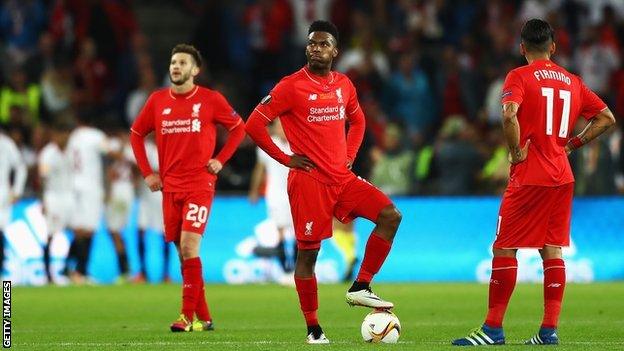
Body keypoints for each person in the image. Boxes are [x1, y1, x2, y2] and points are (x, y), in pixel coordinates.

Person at [452, 19, 616, 346]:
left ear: (522, 47)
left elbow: (509, 113)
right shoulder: (572, 81)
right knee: (551, 250)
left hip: (531, 175)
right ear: (553, 47)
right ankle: (548, 331)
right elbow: (607, 118)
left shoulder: (519, 76)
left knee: (504, 247)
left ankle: (493, 329)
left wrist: (515, 151)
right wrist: (572, 145)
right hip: (561, 175)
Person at [245, 20, 402, 344]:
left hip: (342, 178)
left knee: (390, 216)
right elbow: (254, 125)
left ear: (335, 51)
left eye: (324, 44)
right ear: (306, 48)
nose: (317, 48)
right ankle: (313, 328)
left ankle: (361, 286)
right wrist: (286, 158)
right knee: (308, 255)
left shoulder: (344, 84)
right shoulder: (290, 86)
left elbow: (358, 120)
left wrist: (349, 155)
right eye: (312, 43)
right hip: (309, 182)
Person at [130, 44, 245, 332]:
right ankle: (205, 318)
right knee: (183, 255)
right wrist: (147, 173)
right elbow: (135, 134)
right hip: (170, 187)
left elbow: (238, 128)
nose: (175, 67)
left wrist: (220, 159)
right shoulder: (157, 101)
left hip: (199, 184)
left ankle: (185, 316)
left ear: (195, 70)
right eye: (172, 62)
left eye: (182, 62)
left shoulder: (210, 100)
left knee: (189, 245)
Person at [66, 110, 110, 284]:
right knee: (89, 229)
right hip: (91, 186)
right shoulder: (96, 135)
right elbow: (108, 151)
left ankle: (67, 268)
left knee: (79, 229)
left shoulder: (73, 136)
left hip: (73, 185)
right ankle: (80, 272)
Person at [248, 118, 294, 275]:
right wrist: (254, 190)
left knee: (297, 233)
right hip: (275, 194)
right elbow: (259, 169)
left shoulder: (299, 144)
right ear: (274, 128)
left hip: (296, 194)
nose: (282, 130)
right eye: (279, 127)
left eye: (284, 126)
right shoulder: (267, 145)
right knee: (280, 230)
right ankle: (285, 270)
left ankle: (296, 270)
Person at [38, 120, 74, 284]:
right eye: (61, 134)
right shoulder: (48, 154)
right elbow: (42, 180)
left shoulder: (72, 151)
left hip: (71, 197)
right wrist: (43, 201)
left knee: (79, 232)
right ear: (55, 136)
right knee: (50, 235)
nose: (64, 137)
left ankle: (68, 267)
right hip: (53, 197)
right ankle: (48, 274)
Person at [133, 136, 169, 283]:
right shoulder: (144, 147)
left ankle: (165, 274)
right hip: (145, 197)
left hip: (162, 197)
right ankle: (142, 272)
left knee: (165, 234)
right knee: (141, 232)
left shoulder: (168, 146)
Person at [0, 126, 26, 277]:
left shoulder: (6, 143)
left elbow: (20, 166)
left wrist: (17, 190)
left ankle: (2, 269)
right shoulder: (7, 143)